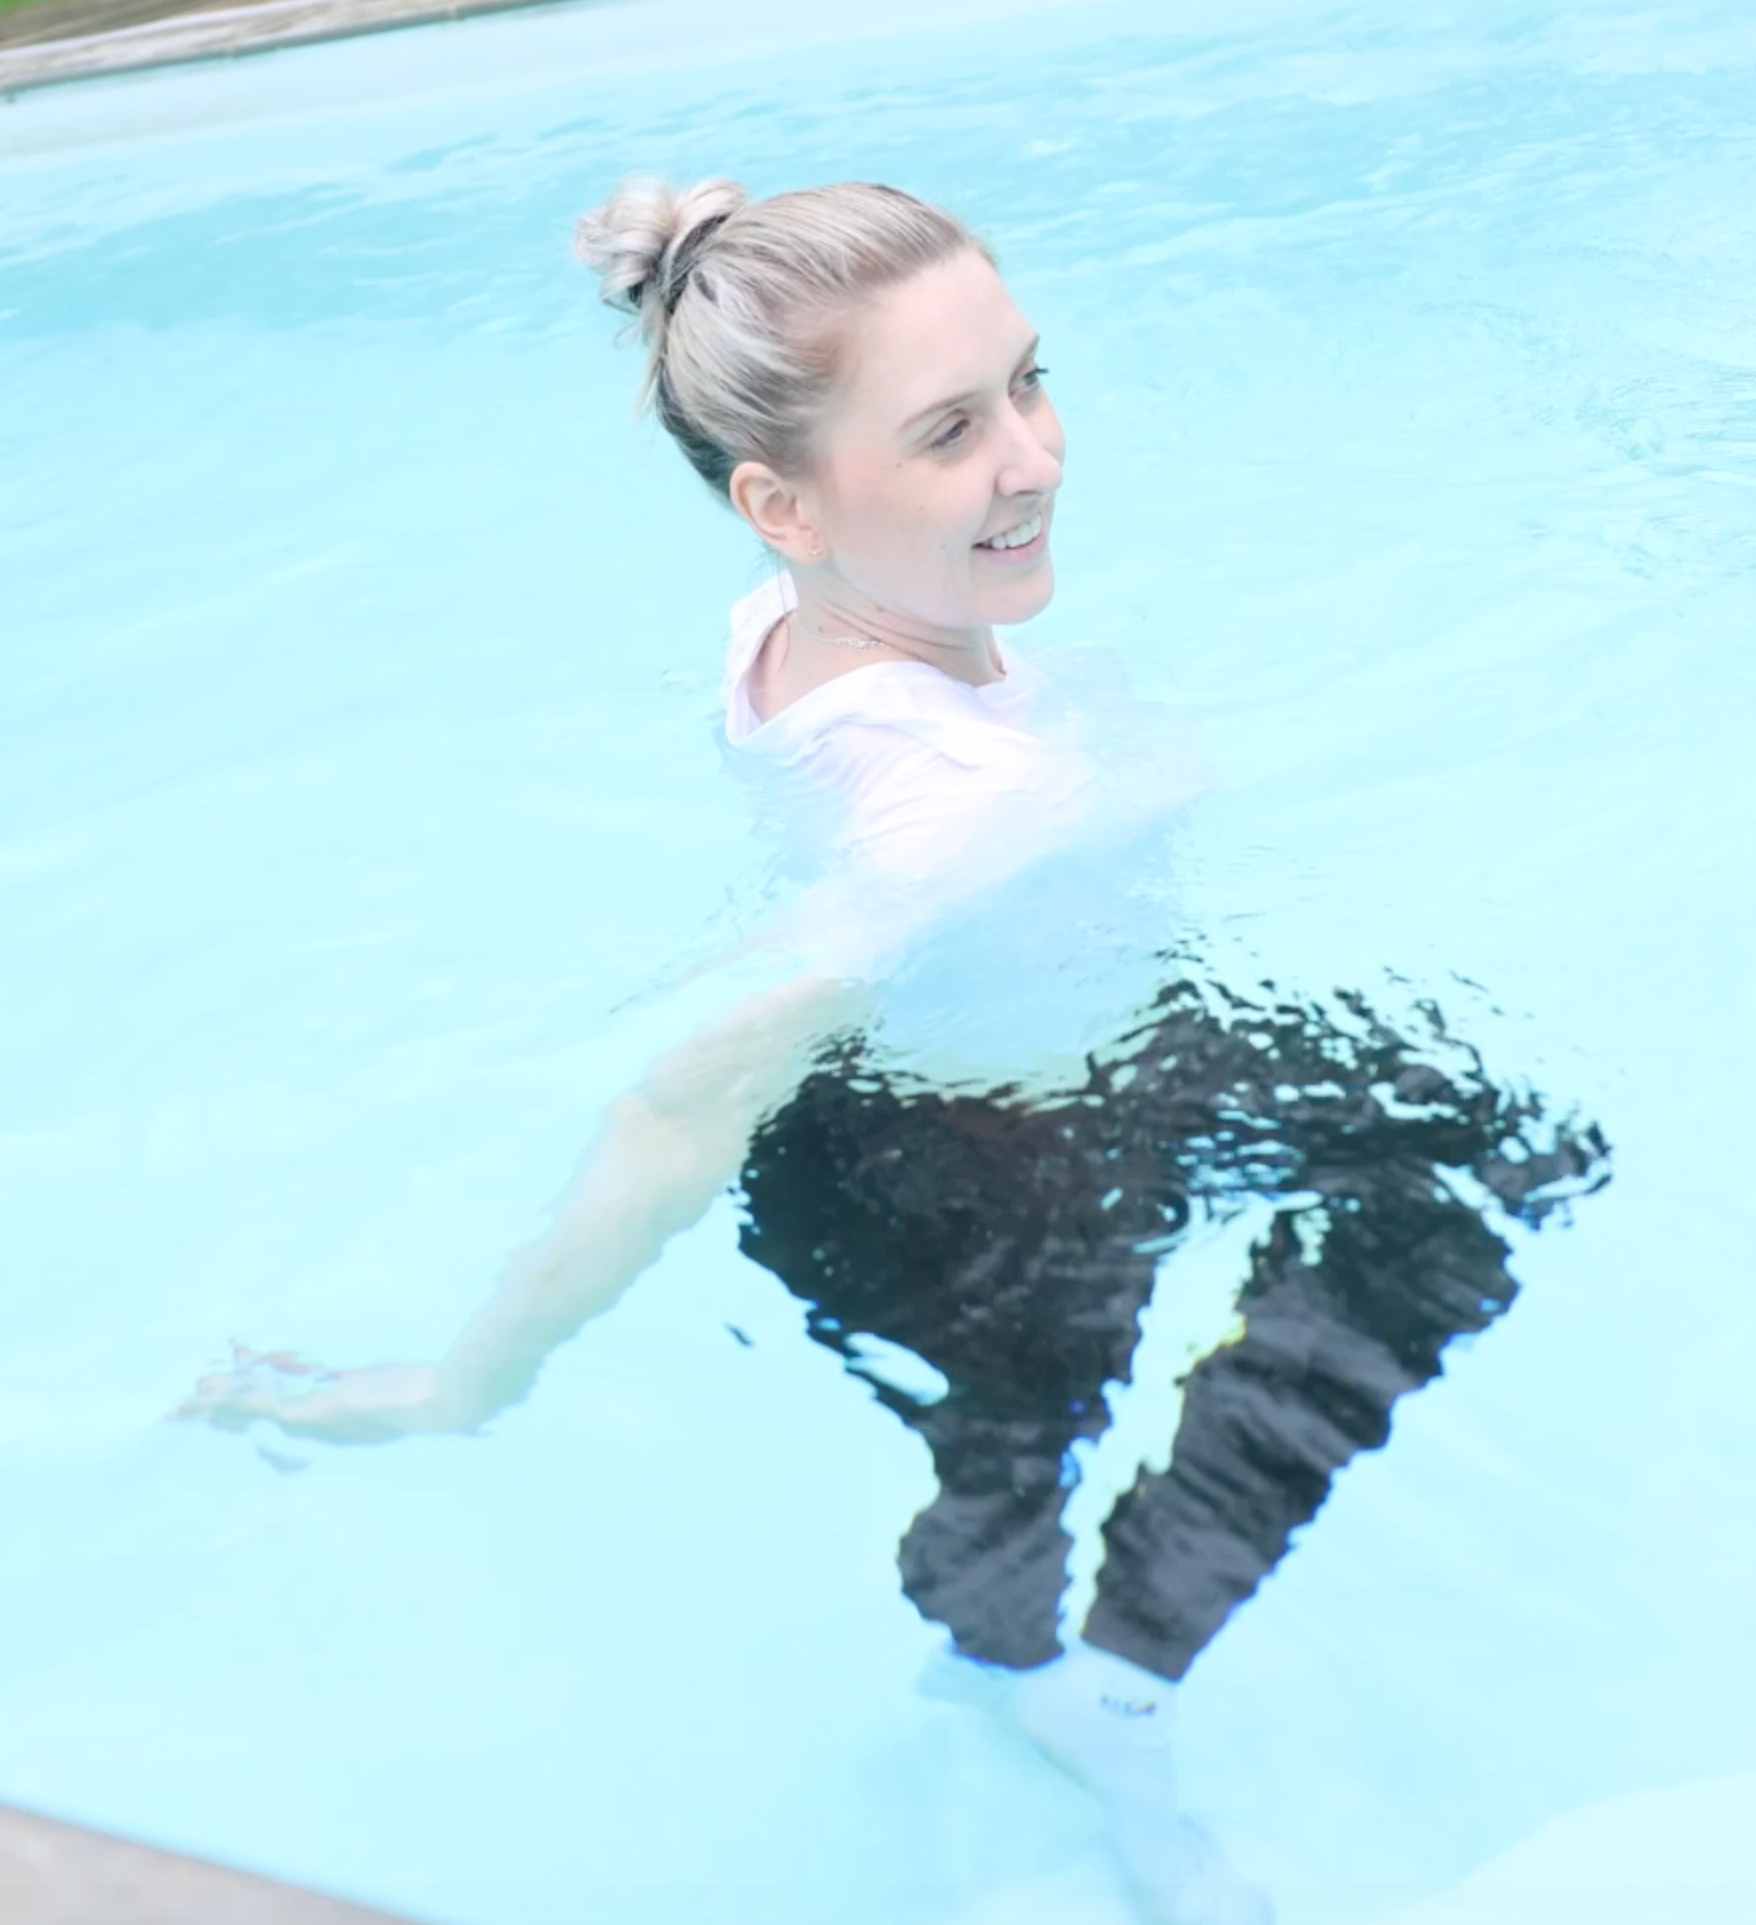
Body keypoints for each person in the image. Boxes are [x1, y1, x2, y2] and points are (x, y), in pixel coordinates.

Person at [180, 178, 1605, 1925]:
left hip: (1066, 1055)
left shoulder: (810, 627)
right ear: (784, 504)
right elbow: (690, 1088)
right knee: (1012, 1487)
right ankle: (1090, 1687)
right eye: (950, 429)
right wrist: (470, 1375)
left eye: (1028, 379)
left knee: (1483, 1148)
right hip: (972, 1179)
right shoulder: (947, 812)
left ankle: (1069, 1671)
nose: (1035, 455)